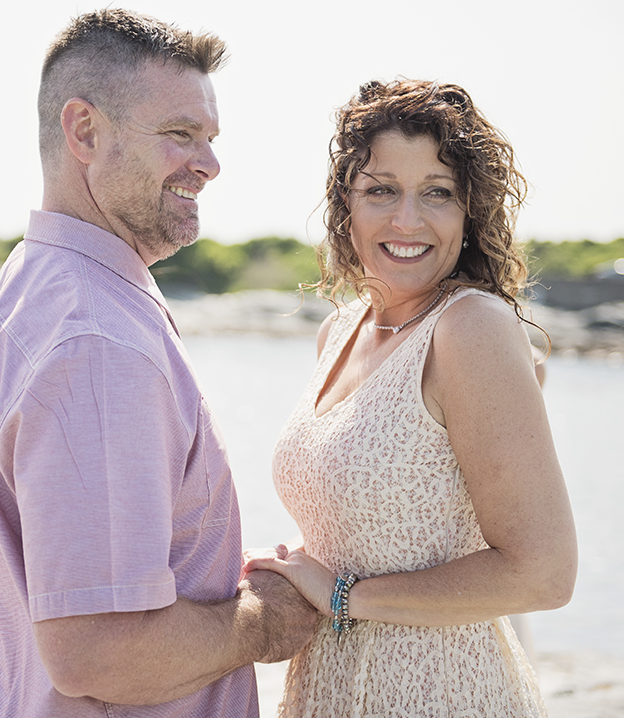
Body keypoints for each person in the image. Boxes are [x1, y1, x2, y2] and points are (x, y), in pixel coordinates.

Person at [0, 8, 317, 717]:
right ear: (85, 131)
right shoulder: (96, 341)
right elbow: (100, 653)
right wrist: (264, 622)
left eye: (209, 137)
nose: (209, 164)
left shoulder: (36, 280)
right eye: (180, 135)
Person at [243, 80, 577, 716]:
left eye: (438, 193)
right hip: (328, 687)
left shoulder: (470, 326)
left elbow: (543, 574)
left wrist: (343, 596)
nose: (407, 220)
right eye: (381, 190)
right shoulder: (338, 329)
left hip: (440, 691)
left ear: (469, 212)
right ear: (348, 204)